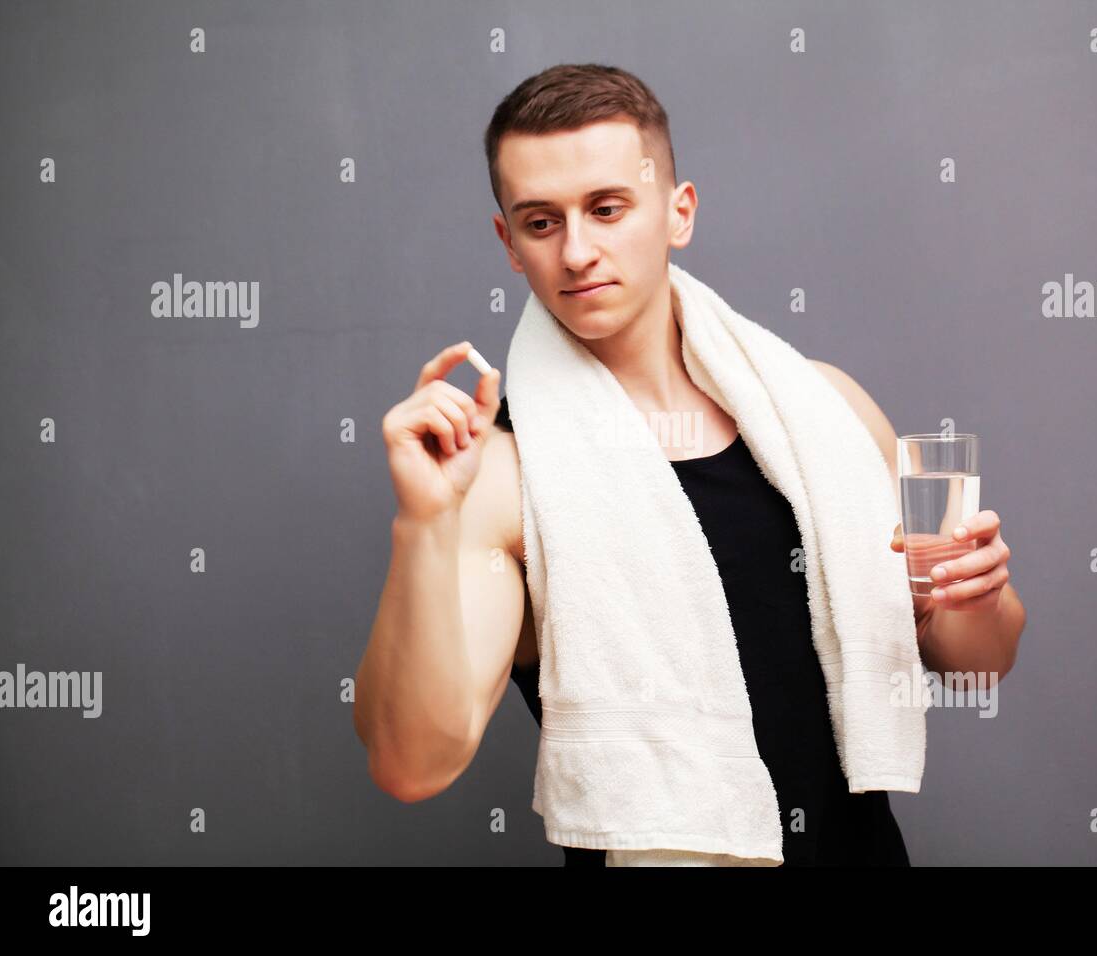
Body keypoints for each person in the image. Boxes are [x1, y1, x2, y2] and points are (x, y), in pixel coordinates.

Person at [353, 63, 1025, 866]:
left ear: (679, 214)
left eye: (607, 209)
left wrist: (973, 598)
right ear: (509, 244)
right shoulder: (502, 474)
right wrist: (421, 524)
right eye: (541, 222)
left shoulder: (830, 412)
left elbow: (979, 663)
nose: (576, 252)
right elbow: (411, 765)